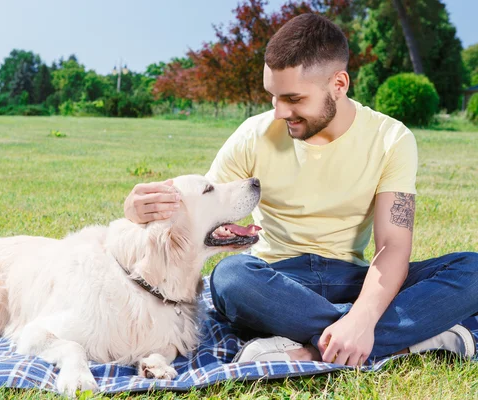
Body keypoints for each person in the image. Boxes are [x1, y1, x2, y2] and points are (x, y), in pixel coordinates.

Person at [123, 13, 478, 366]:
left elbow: (393, 247)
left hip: (353, 278)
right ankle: (402, 336)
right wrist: (137, 212)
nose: (279, 112)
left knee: (472, 270)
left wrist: (363, 316)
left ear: (339, 84)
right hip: (274, 282)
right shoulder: (253, 134)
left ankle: (310, 349)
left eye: (293, 98)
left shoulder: (391, 138)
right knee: (230, 277)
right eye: (274, 96)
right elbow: (202, 213)